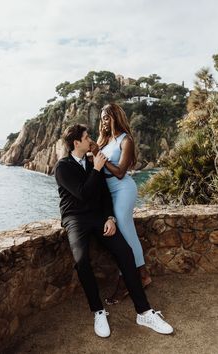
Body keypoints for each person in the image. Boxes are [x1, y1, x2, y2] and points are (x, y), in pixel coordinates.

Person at [54, 123, 173, 338]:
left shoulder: (93, 163)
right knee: (81, 261)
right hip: (75, 219)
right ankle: (98, 310)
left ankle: (144, 311)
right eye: (86, 136)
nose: (91, 139)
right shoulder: (63, 167)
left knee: (125, 253)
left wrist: (110, 217)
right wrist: (98, 168)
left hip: (99, 217)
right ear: (76, 143)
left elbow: (104, 195)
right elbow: (83, 194)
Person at [90, 103, 151, 305]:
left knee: (123, 233)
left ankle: (126, 281)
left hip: (123, 189)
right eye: (102, 118)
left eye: (107, 117)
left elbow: (120, 172)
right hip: (108, 192)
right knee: (127, 233)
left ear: (115, 117)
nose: (103, 121)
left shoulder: (126, 140)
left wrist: (99, 156)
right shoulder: (105, 140)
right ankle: (143, 275)